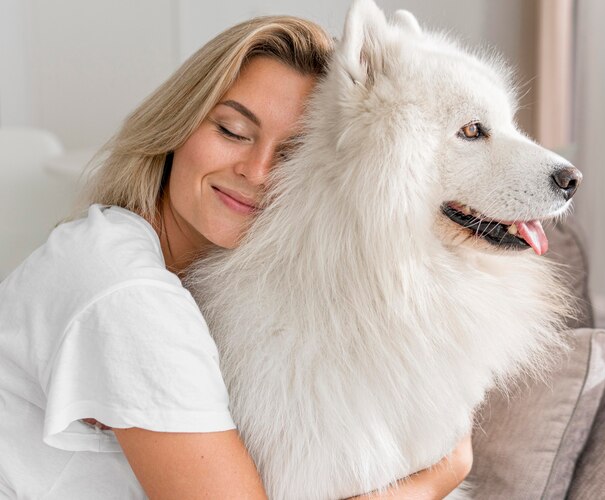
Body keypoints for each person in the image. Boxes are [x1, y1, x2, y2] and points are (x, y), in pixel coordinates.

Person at [0, 14, 471, 499]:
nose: (258, 171)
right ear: (179, 125)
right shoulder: (128, 293)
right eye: (232, 130)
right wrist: (444, 473)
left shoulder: (175, 277)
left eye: (292, 154)